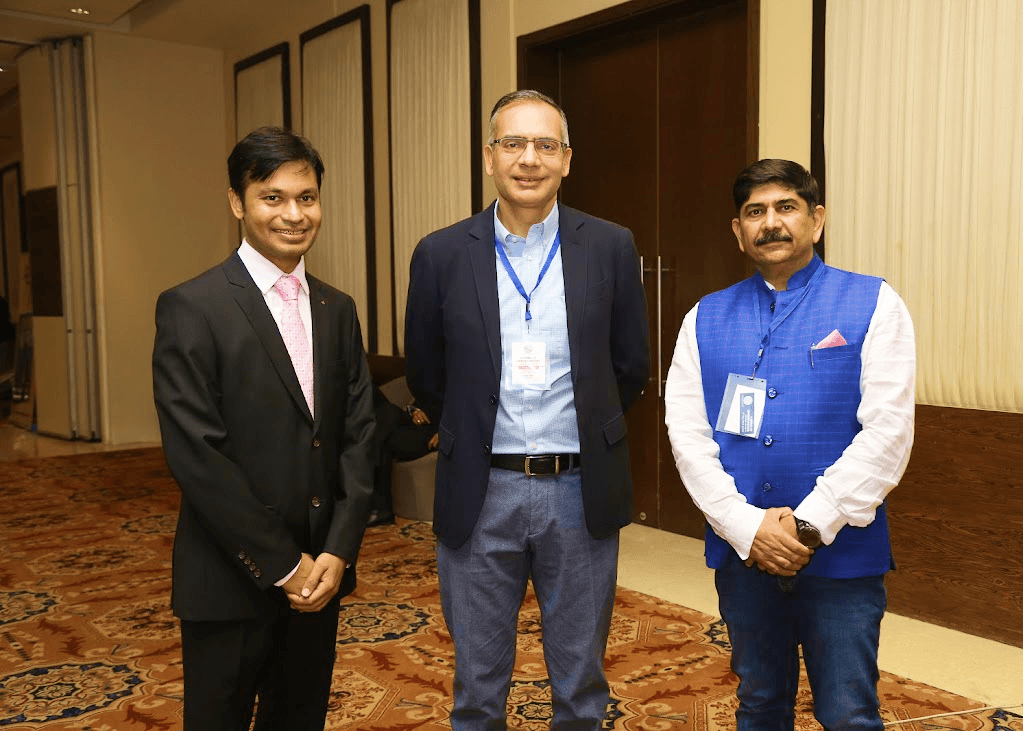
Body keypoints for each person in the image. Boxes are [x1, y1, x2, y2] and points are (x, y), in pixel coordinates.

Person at [403, 90, 650, 730]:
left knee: (581, 685)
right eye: (513, 143)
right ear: (489, 157)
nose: (529, 159)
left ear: (567, 159)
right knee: (477, 687)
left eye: (545, 145)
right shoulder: (441, 253)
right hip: (480, 489)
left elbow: (630, 367)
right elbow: (427, 374)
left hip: (578, 490)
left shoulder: (611, 246)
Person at [664, 159, 915, 731]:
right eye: (755, 212)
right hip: (742, 551)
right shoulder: (703, 317)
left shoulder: (874, 303)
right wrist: (747, 527)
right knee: (759, 703)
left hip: (841, 554)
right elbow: (688, 435)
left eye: (786, 207)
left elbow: (888, 434)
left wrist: (807, 527)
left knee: (848, 711)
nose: (770, 223)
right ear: (738, 230)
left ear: (816, 219)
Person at [152, 127, 375, 730]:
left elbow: (358, 434)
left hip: (320, 579)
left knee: (298, 720)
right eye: (272, 197)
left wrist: (336, 550)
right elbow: (198, 455)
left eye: (306, 197)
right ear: (236, 202)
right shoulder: (192, 307)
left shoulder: (338, 308)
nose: (293, 214)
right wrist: (286, 565)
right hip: (230, 577)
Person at [366, 379, 438, 526]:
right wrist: (414, 411)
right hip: (413, 425)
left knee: (386, 421)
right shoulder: (422, 368)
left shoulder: (454, 375)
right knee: (385, 418)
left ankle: (380, 507)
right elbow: (422, 401)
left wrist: (448, 429)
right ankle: (381, 509)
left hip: (435, 432)